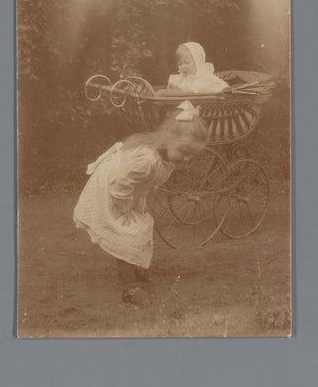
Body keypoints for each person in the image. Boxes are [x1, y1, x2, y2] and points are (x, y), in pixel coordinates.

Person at [73, 101, 208, 306]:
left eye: (192, 155)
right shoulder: (147, 159)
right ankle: (130, 287)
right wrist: (124, 207)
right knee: (127, 233)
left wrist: (136, 204)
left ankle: (133, 266)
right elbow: (120, 182)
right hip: (110, 191)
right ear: (168, 139)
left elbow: (141, 185)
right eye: (183, 151)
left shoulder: (166, 159)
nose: (187, 159)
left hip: (128, 192)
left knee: (143, 224)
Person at [158, 42, 229, 95]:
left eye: (187, 63)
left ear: (198, 62)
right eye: (180, 64)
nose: (183, 66)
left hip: (207, 107)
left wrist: (165, 92)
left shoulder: (205, 77)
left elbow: (190, 91)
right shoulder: (182, 79)